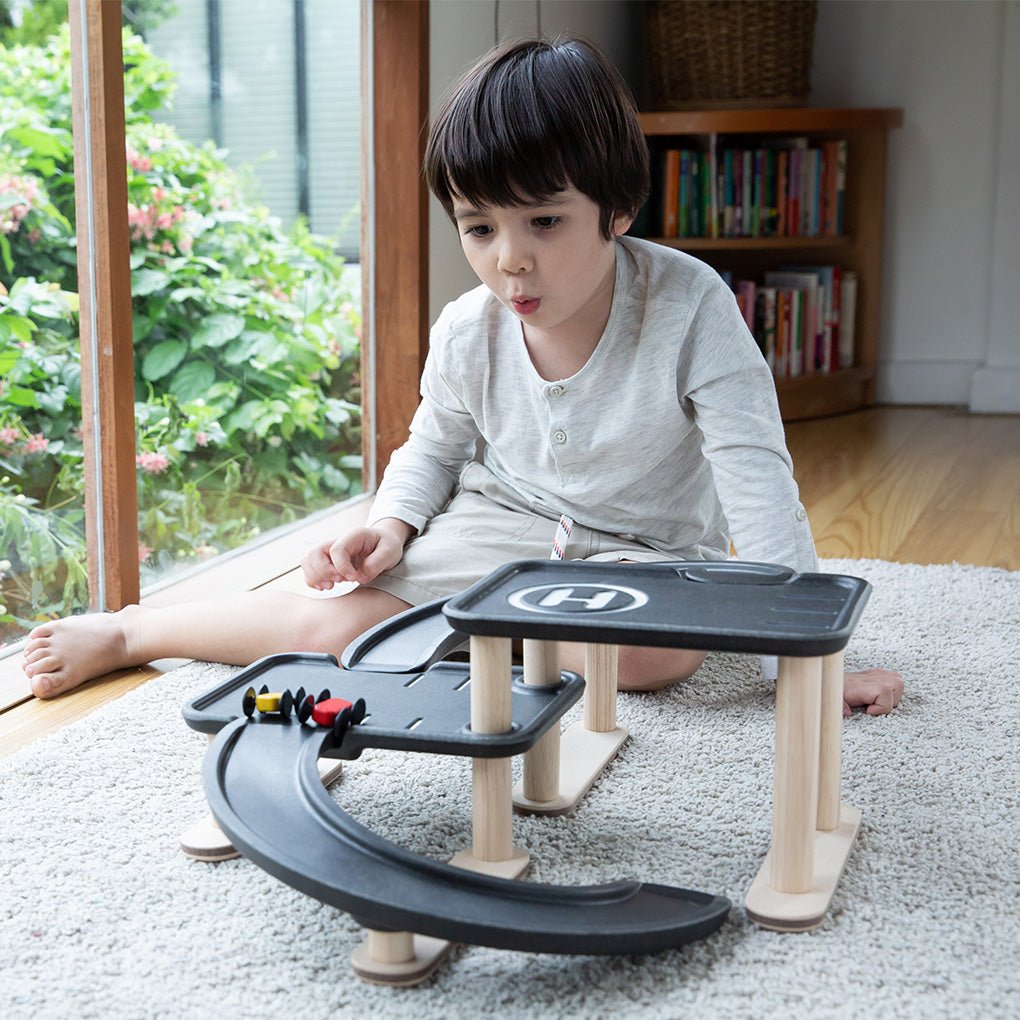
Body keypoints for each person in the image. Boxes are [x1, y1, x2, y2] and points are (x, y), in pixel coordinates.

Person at [22, 37, 902, 716]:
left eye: (545, 221)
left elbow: (756, 480)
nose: (510, 259)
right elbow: (433, 450)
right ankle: (133, 631)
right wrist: (392, 524)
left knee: (653, 658)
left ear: (618, 209)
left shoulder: (692, 306)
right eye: (479, 228)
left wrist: (808, 664)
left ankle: (478, 633)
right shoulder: (466, 329)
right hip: (496, 529)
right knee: (330, 628)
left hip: (649, 550)